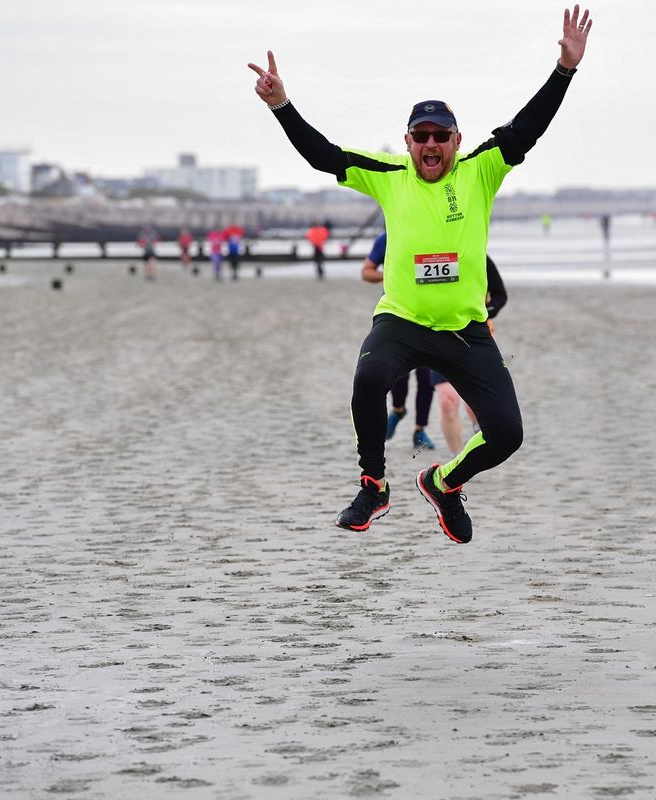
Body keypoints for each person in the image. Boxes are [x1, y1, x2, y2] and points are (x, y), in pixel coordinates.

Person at [249, 5, 592, 543]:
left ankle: (444, 481)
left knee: (506, 435)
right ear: (407, 142)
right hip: (402, 322)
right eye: (420, 135)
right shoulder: (389, 176)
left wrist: (565, 71)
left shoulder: (483, 170)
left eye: (440, 135)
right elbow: (323, 155)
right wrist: (281, 106)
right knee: (367, 378)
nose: (430, 144)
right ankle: (374, 484)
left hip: (464, 331)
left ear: (458, 140)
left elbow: (528, 127)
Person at [360, 231, 437, 452]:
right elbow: (366, 272)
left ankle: (420, 430)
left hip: (428, 316)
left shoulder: (431, 234)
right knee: (399, 375)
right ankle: (398, 409)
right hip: (398, 316)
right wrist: (392, 274)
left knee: (426, 378)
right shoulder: (387, 238)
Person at [432, 255, 508, 452]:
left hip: (475, 337)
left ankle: (478, 431)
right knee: (447, 401)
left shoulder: (476, 254)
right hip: (438, 335)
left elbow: (500, 296)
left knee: (475, 403)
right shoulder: (429, 255)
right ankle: (456, 459)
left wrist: (483, 312)